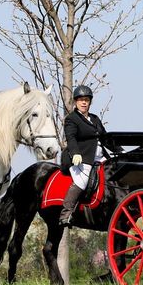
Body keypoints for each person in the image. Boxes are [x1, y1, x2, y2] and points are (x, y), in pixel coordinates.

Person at [58, 85, 120, 225]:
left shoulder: (95, 118)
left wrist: (119, 150)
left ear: (90, 102)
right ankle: (65, 214)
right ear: (76, 102)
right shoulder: (72, 119)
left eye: (86, 100)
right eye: (81, 100)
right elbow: (71, 138)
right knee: (82, 181)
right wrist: (75, 153)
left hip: (100, 157)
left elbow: (105, 138)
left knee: (115, 172)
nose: (84, 102)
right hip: (81, 158)